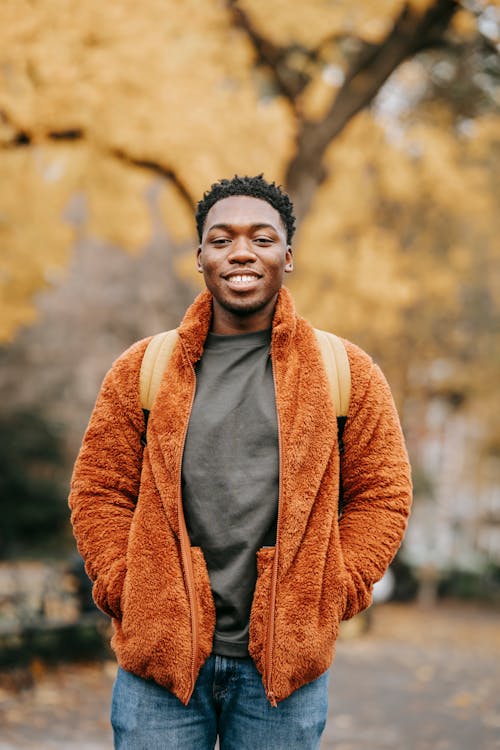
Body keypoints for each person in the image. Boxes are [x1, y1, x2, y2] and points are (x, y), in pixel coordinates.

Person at [69, 174, 412, 749]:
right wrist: (126, 588)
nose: (242, 252)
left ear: (288, 255)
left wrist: (337, 588)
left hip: (284, 674)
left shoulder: (343, 370)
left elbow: (383, 493)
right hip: (160, 665)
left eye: (262, 238)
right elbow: (98, 489)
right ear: (200, 255)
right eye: (222, 239)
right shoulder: (144, 368)